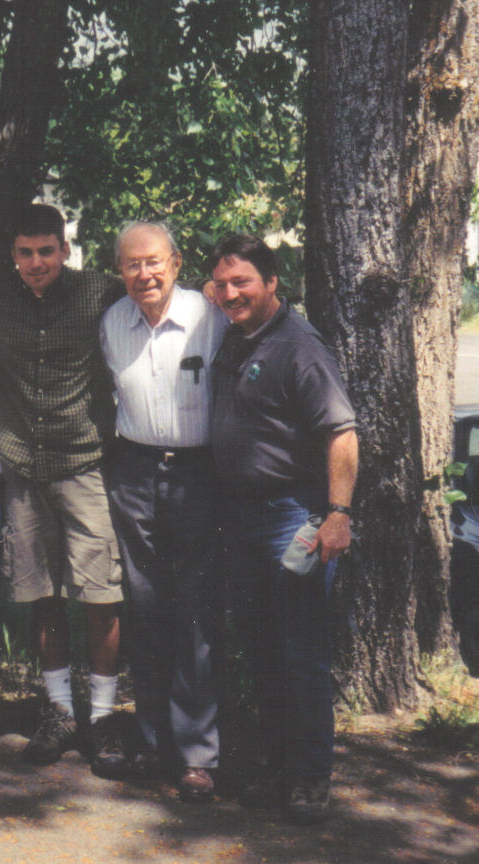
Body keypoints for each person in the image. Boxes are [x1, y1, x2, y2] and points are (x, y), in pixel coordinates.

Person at [0, 204, 127, 776]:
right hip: (21, 465)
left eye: (46, 251)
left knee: (101, 592)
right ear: (12, 255)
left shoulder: (99, 292)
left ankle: (103, 717)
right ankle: (59, 710)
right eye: (25, 253)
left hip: (84, 464)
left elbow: (154, 290)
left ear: (64, 249)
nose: (36, 263)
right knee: (42, 593)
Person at [208, 234, 358, 824]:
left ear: (273, 282)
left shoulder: (299, 346)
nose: (230, 293)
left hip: (292, 517)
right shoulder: (238, 334)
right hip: (239, 517)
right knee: (262, 648)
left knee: (300, 652)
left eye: (242, 281)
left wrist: (338, 514)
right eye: (221, 283)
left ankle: (311, 777)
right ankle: (273, 767)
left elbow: (341, 432)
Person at [100, 221, 228, 800]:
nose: (144, 274)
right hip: (134, 472)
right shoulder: (112, 323)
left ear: (176, 263)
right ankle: (153, 741)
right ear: (119, 270)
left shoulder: (211, 316)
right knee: (146, 607)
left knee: (196, 611)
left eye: (154, 261)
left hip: (200, 475)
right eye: (132, 264)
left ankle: (198, 753)